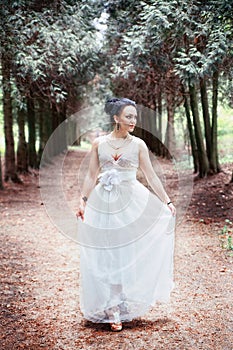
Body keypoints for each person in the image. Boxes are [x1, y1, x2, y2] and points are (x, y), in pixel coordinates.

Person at [76, 97, 176, 331]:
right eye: (128, 116)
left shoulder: (139, 144)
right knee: (107, 251)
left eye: (134, 116)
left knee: (124, 250)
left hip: (132, 201)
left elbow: (150, 176)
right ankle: (112, 307)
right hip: (103, 202)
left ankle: (118, 302)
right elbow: (91, 175)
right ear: (116, 118)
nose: (133, 120)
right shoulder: (99, 143)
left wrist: (167, 201)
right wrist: (83, 201)